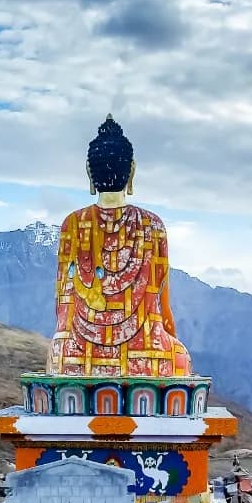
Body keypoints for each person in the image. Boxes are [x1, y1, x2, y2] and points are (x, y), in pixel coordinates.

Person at [47, 114, 193, 377]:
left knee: (59, 355)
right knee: (179, 356)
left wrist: (63, 343)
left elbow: (63, 306)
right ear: (132, 171)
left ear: (89, 173)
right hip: (145, 350)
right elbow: (163, 305)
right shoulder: (153, 225)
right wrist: (169, 338)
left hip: (76, 353)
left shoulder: (72, 224)